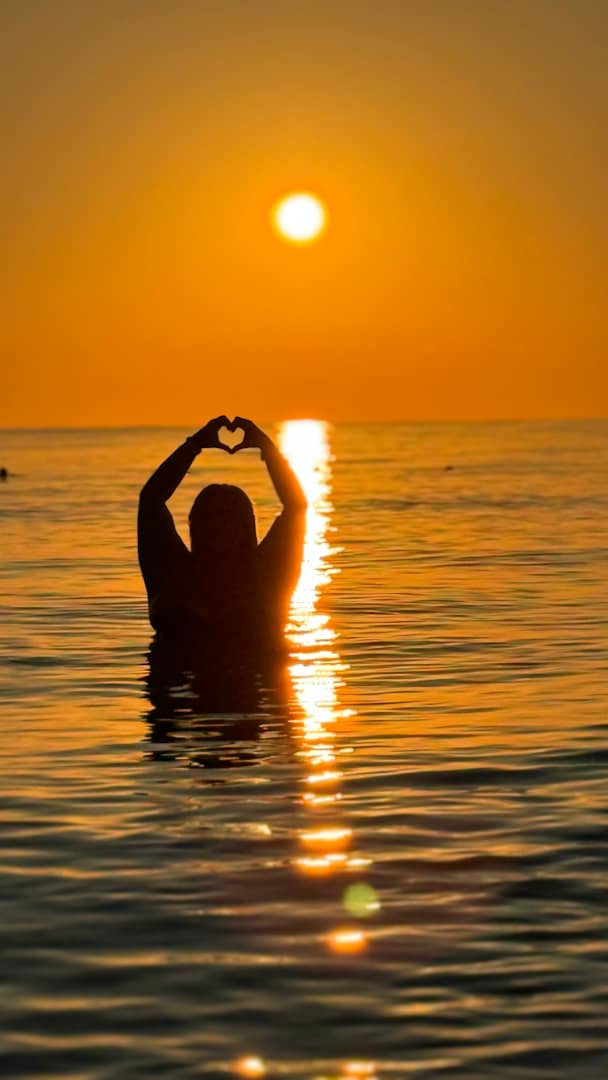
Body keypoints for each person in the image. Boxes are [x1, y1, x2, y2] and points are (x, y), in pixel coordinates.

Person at [138, 416, 307, 678]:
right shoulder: (170, 573)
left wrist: (268, 449)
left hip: (253, 696)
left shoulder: (269, 575)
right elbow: (151, 500)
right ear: (194, 524)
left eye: (227, 516)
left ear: (245, 527)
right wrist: (194, 445)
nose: (216, 525)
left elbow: (296, 507)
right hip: (182, 697)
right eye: (207, 516)